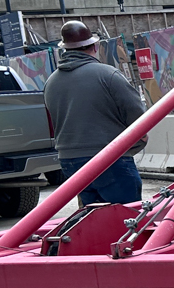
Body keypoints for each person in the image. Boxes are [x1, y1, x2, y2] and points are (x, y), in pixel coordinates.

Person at [43, 20, 146, 205]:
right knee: (128, 217)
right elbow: (139, 116)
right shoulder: (108, 75)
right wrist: (137, 143)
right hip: (108, 159)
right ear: (94, 46)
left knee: (92, 220)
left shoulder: (51, 82)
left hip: (70, 161)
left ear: (65, 49)